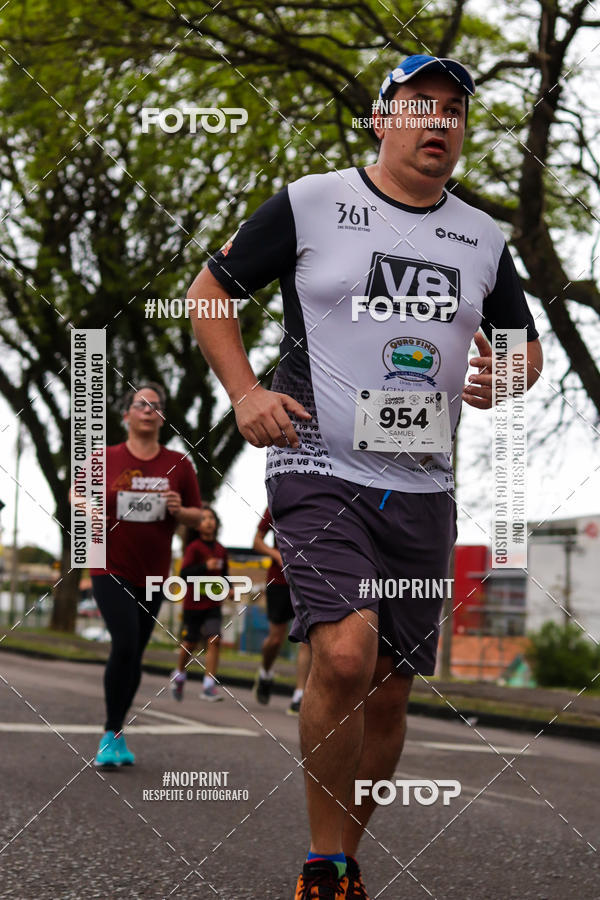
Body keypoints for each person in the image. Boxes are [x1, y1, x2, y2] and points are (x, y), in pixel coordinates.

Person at [188, 54, 543, 900]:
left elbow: (523, 344)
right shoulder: (313, 201)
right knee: (345, 657)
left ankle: (343, 857)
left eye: (454, 111)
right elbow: (208, 293)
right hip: (317, 461)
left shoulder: (483, 237)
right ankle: (321, 863)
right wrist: (244, 394)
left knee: (388, 693)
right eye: (422, 105)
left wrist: (513, 375)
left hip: (423, 486)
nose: (440, 123)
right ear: (382, 118)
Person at [89, 383, 202, 767]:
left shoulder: (179, 465)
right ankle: (109, 732)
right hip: (108, 564)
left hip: (153, 571)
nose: (149, 410)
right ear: (127, 415)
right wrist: (86, 506)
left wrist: (179, 509)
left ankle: (117, 732)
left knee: (134, 653)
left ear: (163, 416)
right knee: (124, 640)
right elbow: (76, 493)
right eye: (141, 404)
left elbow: (198, 516)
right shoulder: (103, 458)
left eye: (156, 405)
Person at [253, 507, 311, 715]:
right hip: (279, 581)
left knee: (307, 638)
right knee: (276, 639)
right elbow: (257, 541)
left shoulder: (318, 498)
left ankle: (299, 695)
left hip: (307, 580)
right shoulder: (277, 502)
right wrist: (275, 553)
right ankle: (266, 673)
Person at [171, 506, 230, 702]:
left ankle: (208, 685)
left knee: (215, 640)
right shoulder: (194, 548)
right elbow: (183, 575)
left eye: (212, 518)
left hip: (213, 604)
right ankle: (179, 674)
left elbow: (225, 576)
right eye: (204, 518)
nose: (209, 521)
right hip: (193, 604)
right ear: (197, 526)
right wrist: (205, 566)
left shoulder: (221, 550)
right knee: (190, 644)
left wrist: (228, 588)